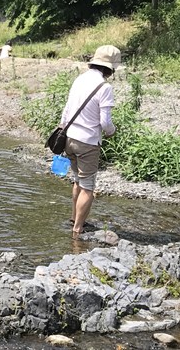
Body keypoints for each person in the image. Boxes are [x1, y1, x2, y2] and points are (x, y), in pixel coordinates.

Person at [60, 45, 120, 235]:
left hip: (69, 138)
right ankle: (78, 230)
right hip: (87, 143)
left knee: (77, 180)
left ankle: (74, 218)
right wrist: (112, 132)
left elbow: (67, 109)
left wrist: (62, 128)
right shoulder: (105, 87)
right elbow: (105, 122)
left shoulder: (80, 79)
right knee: (88, 187)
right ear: (110, 69)